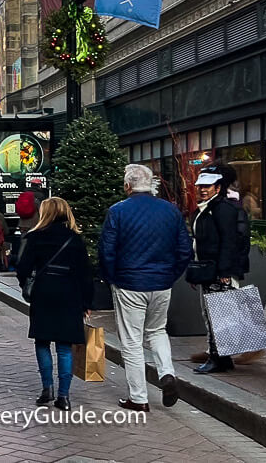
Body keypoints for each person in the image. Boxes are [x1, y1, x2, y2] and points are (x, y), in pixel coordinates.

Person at [100, 164, 192, 412]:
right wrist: (170, 275)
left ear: (127, 185)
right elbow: (185, 249)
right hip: (161, 282)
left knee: (131, 341)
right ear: (150, 184)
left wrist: (111, 278)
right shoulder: (170, 211)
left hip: (129, 282)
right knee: (157, 330)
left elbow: (107, 251)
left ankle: (139, 397)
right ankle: (167, 372)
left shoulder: (118, 211)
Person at [15, 197, 92, 412]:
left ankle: (46, 388)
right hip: (70, 293)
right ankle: (64, 396)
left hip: (44, 291)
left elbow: (22, 267)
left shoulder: (35, 237)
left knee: (42, 342)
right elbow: (86, 273)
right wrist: (86, 301)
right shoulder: (75, 239)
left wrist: (27, 284)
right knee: (65, 346)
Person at [191, 164, 251, 374]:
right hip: (210, 270)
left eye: (208, 186)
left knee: (217, 316)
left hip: (218, 271)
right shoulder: (208, 208)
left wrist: (225, 272)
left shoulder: (222, 209)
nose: (202, 189)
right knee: (213, 315)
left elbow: (229, 242)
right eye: (200, 186)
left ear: (218, 187)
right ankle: (220, 357)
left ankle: (218, 358)